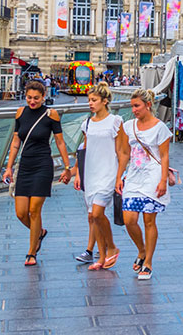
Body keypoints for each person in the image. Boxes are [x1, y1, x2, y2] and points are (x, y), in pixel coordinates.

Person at [2, 79, 71, 267]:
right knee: (20, 212)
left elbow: (60, 142)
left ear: (43, 97)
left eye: (36, 98)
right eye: (29, 98)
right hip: (24, 166)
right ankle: (39, 232)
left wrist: (67, 167)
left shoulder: (51, 115)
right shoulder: (20, 113)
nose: (32, 101)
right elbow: (16, 142)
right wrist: (8, 167)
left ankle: (31, 252)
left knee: (34, 210)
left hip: (42, 165)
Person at [117, 88, 173, 280]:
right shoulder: (128, 126)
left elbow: (165, 156)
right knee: (129, 220)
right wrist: (119, 176)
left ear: (148, 105)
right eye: (132, 106)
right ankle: (141, 249)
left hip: (152, 177)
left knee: (149, 221)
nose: (134, 110)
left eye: (137, 106)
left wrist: (163, 180)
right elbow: (125, 153)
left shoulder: (160, 128)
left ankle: (148, 261)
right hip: (133, 177)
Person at [72, 82, 128, 270]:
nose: (90, 103)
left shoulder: (116, 121)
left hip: (108, 173)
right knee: (93, 217)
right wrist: (78, 173)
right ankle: (102, 257)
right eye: (89, 100)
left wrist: (120, 176)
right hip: (91, 173)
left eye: (94, 100)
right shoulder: (87, 123)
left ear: (104, 101)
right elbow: (84, 150)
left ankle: (111, 247)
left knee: (98, 213)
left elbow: (122, 152)